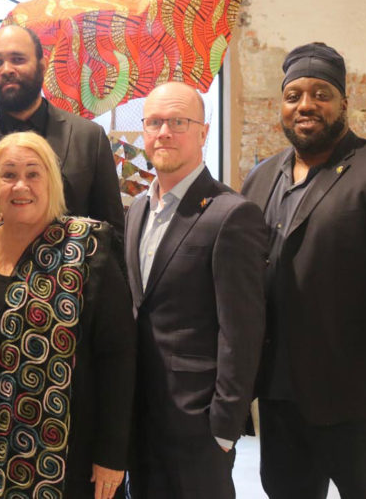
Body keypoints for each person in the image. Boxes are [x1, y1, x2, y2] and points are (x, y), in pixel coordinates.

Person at [241, 42, 366, 499]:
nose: (306, 105)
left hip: (358, 397)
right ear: (282, 105)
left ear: (344, 102)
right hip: (278, 394)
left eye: (321, 93)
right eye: (293, 96)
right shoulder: (261, 177)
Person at [0, 131, 136, 499]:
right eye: (9, 174)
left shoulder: (89, 247)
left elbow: (119, 358)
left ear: (51, 181)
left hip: (67, 459)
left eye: (34, 174)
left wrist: (112, 455)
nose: (21, 186)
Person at [124, 82, 267, 498]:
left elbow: (242, 332)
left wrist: (225, 425)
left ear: (203, 133)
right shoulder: (137, 210)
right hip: (141, 414)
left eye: (177, 122)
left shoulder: (231, 214)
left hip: (198, 422)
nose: (163, 132)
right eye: (154, 122)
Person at [0, 24, 125, 251]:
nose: (6, 69)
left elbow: (113, 232)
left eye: (18, 59)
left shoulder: (89, 138)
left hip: (74, 283)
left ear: (42, 67)